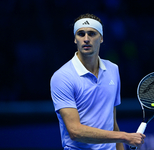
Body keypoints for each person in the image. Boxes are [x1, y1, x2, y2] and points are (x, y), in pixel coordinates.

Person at [50, 13, 146, 150]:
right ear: (75, 39)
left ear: (101, 38)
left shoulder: (113, 69)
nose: (86, 39)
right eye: (81, 34)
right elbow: (75, 131)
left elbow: (111, 122)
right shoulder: (62, 77)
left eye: (92, 33)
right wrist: (124, 136)